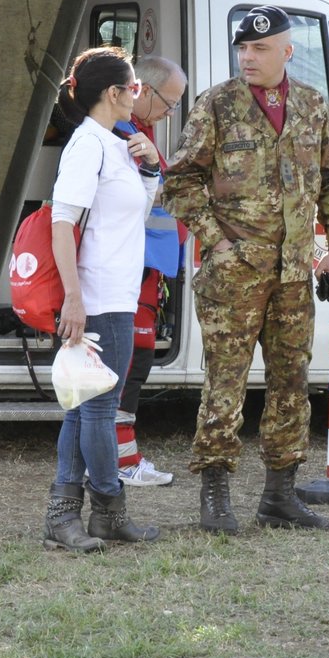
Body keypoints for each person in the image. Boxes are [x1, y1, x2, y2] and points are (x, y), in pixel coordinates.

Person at [159, 6, 329, 534]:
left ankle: (280, 495)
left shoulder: (313, 108)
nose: (248, 56)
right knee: (226, 381)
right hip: (233, 275)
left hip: (294, 274)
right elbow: (179, 182)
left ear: (287, 52)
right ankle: (216, 493)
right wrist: (217, 243)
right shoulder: (217, 106)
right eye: (242, 48)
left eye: (260, 49)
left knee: (292, 380)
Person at [42, 47, 163, 553]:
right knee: (98, 409)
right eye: (134, 88)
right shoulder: (87, 144)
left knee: (81, 407)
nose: (137, 95)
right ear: (113, 94)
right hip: (94, 296)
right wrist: (74, 298)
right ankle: (108, 511)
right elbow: (62, 224)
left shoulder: (117, 143)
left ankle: (65, 516)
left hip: (112, 293)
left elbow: (134, 213)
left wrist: (153, 167)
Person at [111, 55, 189, 487]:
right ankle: (124, 462)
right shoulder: (125, 136)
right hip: (133, 272)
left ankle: (122, 459)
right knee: (129, 368)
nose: (170, 112)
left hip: (145, 271)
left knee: (132, 366)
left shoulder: (142, 134)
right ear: (143, 90)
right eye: (169, 102)